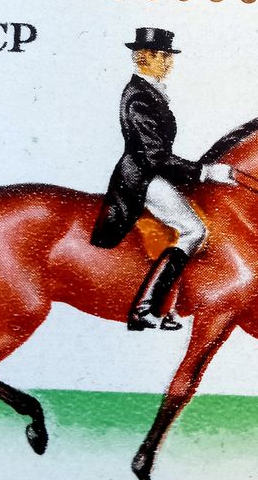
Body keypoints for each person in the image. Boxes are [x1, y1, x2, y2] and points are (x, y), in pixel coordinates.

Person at [90, 27, 235, 331]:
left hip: (153, 170)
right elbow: (155, 156)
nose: (169, 62)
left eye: (170, 56)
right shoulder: (139, 97)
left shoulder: (151, 91)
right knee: (194, 230)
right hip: (143, 175)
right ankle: (144, 309)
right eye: (163, 56)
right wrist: (205, 172)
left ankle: (173, 305)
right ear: (145, 57)